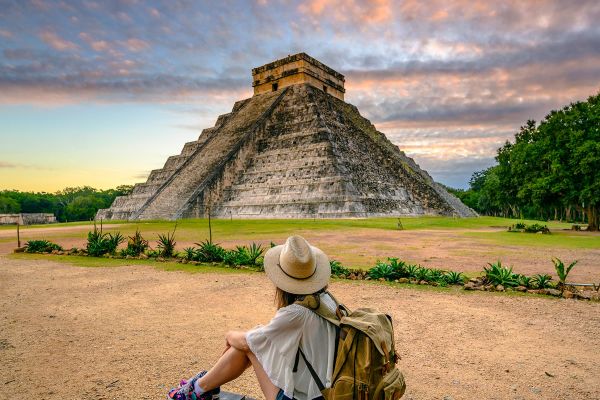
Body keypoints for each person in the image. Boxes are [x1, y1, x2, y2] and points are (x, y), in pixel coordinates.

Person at [168, 235, 337, 400]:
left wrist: (229, 335)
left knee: (249, 344)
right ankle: (200, 388)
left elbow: (248, 342)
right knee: (254, 338)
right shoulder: (327, 301)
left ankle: (197, 389)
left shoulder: (296, 313)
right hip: (328, 391)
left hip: (307, 397)